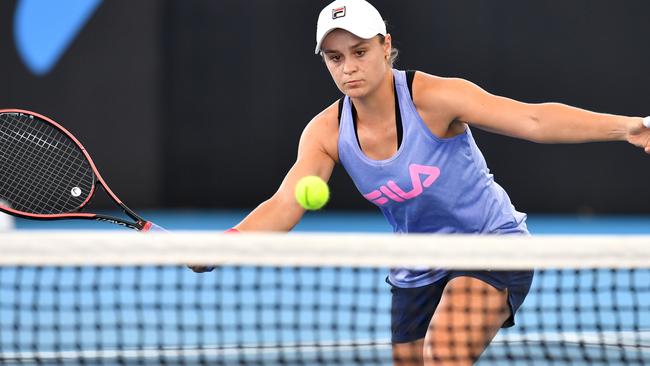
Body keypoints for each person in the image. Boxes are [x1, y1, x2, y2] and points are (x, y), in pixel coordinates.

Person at [191, 0, 650, 364]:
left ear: (384, 44)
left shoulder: (434, 98)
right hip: (415, 265)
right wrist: (225, 245)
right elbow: (286, 203)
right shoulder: (326, 132)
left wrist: (627, 127)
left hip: (490, 245)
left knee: (443, 356)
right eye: (335, 58)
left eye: (359, 52)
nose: (348, 67)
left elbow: (531, 119)